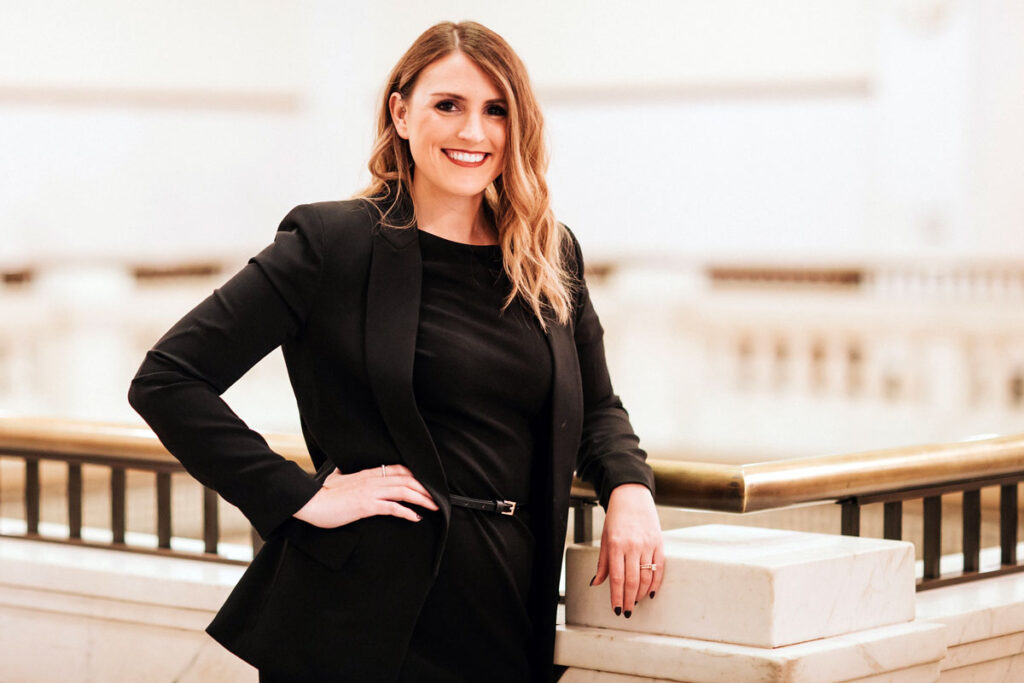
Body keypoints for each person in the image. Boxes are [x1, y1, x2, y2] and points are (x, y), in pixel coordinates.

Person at [127, 20, 663, 683]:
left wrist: (631, 489)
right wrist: (298, 494)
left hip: (505, 614)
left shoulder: (550, 253)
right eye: (449, 105)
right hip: (361, 624)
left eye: (496, 110)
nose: (474, 132)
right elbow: (168, 378)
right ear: (401, 112)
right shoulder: (331, 243)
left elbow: (598, 405)